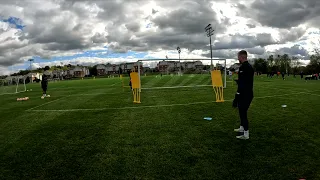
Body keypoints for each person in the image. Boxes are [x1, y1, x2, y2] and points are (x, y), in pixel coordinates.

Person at [233, 50, 254, 140]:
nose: (238, 58)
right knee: (241, 112)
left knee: (243, 113)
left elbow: (242, 84)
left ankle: (246, 134)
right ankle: (242, 128)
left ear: (241, 57)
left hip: (244, 94)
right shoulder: (249, 67)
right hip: (248, 93)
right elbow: (246, 81)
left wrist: (236, 97)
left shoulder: (244, 67)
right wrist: (239, 81)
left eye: (238, 57)